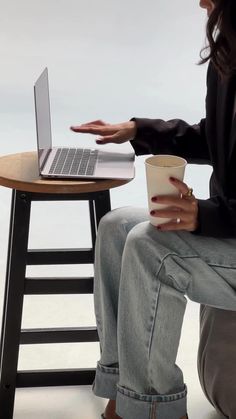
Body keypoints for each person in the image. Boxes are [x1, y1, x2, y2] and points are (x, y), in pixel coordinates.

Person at [71, 0, 236, 418]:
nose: (201, 2)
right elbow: (211, 137)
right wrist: (139, 131)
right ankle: (123, 389)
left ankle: (154, 411)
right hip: (228, 230)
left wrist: (207, 215)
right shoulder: (229, 54)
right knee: (117, 227)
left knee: (150, 245)